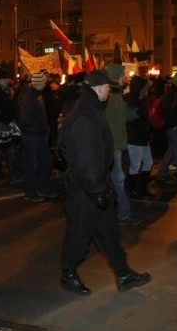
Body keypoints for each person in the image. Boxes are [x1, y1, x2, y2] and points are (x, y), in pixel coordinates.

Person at [58, 69, 151, 295]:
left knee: (108, 232)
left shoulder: (92, 110)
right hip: (86, 189)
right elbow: (86, 158)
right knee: (79, 234)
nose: (110, 90)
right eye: (108, 87)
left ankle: (123, 273)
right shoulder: (85, 116)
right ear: (98, 89)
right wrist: (97, 190)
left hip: (96, 185)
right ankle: (68, 273)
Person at [104, 63, 138, 226]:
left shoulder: (116, 95)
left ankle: (109, 211)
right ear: (116, 77)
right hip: (113, 144)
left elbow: (123, 117)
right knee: (118, 178)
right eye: (123, 76)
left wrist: (137, 110)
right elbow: (109, 121)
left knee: (114, 179)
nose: (125, 78)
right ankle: (124, 214)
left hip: (118, 143)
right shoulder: (109, 96)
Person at [16, 70, 56, 202]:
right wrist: (38, 128)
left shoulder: (36, 95)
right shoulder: (30, 97)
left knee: (45, 162)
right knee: (32, 164)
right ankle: (31, 192)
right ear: (39, 84)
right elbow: (25, 118)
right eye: (44, 82)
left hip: (38, 134)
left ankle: (42, 188)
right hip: (32, 135)